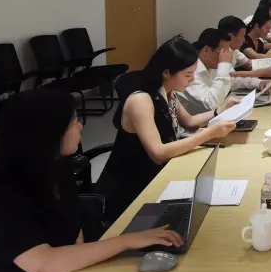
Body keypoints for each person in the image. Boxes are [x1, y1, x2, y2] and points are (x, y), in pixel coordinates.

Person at [0, 89, 184, 272]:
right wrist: (126, 241)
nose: (81, 126)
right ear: (48, 132)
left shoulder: (59, 168)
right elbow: (43, 263)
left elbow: (75, 234)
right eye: (74, 121)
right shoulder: (3, 193)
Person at [96, 37, 238, 223]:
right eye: (188, 75)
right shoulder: (141, 100)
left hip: (159, 174)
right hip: (132, 190)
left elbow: (190, 122)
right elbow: (158, 153)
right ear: (166, 72)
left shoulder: (168, 92)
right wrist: (209, 134)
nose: (192, 79)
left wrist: (220, 110)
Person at [181, 28, 269, 114]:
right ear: (206, 50)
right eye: (222, 52)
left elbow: (231, 81)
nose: (226, 56)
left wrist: (257, 83)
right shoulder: (190, 71)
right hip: (202, 121)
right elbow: (211, 104)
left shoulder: (211, 65)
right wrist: (223, 64)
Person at [218, 15, 271, 81]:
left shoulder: (234, 50)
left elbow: (248, 64)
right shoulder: (217, 52)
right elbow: (231, 75)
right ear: (230, 36)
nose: (244, 40)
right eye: (242, 36)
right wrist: (263, 73)